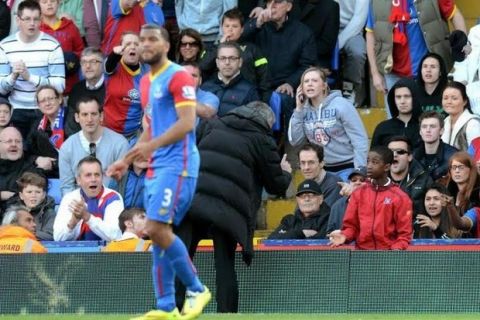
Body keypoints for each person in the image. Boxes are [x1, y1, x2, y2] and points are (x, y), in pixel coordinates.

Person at [107, 24, 210, 320]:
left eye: (152, 39)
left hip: (178, 165)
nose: (145, 44)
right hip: (157, 166)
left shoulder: (178, 75)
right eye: (141, 40)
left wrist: (149, 146)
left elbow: (188, 122)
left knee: (154, 229)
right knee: (158, 235)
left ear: (166, 46)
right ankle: (166, 307)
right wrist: (126, 160)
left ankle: (196, 288)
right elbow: (152, 125)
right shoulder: (145, 81)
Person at [175, 101, 292, 313]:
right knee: (224, 263)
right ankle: (226, 315)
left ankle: (171, 310)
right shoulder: (262, 138)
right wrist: (286, 171)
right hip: (227, 209)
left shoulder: (211, 125)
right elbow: (276, 185)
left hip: (193, 200)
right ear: (266, 121)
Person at [365, 0, 469, 117]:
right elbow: (371, 35)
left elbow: (454, 14)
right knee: (397, 126)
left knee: (433, 124)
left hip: (430, 75)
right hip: (394, 74)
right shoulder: (377, 2)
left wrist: (463, 42)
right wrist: (375, 74)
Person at [243, 0, 317, 133]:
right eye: (269, 2)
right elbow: (239, 41)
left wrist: (290, 83)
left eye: (277, 2)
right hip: (256, 84)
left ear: (288, 6)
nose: (272, 6)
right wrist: (257, 23)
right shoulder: (258, 27)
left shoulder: (303, 32)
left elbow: (307, 66)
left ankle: (287, 143)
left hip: (283, 86)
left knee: (283, 99)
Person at [288, 66, 368, 181]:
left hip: (347, 168)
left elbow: (359, 139)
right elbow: (295, 141)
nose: (310, 84)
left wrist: (359, 171)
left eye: (314, 81)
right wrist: (299, 109)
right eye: (306, 81)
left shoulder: (341, 105)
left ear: (324, 85)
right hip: (321, 171)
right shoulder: (302, 111)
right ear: (301, 88)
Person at [0, 0, 65, 138]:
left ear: (41, 20)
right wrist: (13, 76)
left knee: (46, 154)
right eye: (27, 19)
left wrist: (30, 77)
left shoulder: (52, 45)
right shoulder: (5, 46)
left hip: (45, 110)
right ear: (18, 20)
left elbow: (60, 86)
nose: (32, 23)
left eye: (36, 19)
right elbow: (1, 89)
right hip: (16, 109)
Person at [329, 146, 413, 250]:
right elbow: (351, 227)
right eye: (368, 161)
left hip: (389, 257)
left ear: (386, 167)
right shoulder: (358, 194)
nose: (369, 166)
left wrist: (396, 248)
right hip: (362, 256)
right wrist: (345, 236)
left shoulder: (401, 198)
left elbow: (404, 235)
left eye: (375, 162)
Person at [59, 96, 129, 195]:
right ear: (77, 117)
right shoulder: (67, 148)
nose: (89, 119)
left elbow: (122, 185)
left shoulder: (120, 144)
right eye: (84, 114)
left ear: (101, 116)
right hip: (79, 204)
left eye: (94, 114)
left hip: (111, 202)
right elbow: (67, 187)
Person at [199, 8, 271, 102]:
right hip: (218, 95)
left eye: (235, 26)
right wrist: (219, 46)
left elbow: (264, 78)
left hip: (246, 95)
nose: (230, 29)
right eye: (227, 26)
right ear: (221, 28)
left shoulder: (252, 49)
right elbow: (203, 66)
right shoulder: (213, 48)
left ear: (242, 29)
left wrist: (263, 102)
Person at [54, 156, 123, 241]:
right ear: (78, 180)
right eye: (88, 175)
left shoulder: (113, 197)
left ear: (102, 177)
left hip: (106, 252)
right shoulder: (70, 198)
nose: (93, 179)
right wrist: (72, 223)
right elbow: (58, 238)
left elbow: (115, 236)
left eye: (97, 175)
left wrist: (87, 217)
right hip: (75, 253)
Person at [104, 31, 149, 142]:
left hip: (134, 136)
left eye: (136, 44)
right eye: (128, 44)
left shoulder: (148, 72)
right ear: (121, 48)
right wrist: (114, 54)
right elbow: (108, 65)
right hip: (109, 133)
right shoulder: (114, 66)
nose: (132, 47)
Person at [201, 42, 260, 116]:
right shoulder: (205, 87)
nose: (227, 62)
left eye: (232, 58)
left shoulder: (250, 91)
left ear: (240, 62)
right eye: (223, 58)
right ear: (217, 62)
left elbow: (254, 122)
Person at [38, 0, 84, 95]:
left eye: (53, 1)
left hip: (69, 86)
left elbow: (80, 50)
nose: (49, 4)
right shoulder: (36, 29)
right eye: (44, 2)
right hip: (44, 88)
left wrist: (69, 61)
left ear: (58, 3)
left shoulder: (70, 27)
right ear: (38, 5)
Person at [26, 85, 71, 178]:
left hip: (74, 172)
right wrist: (37, 159)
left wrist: (54, 164)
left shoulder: (73, 119)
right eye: (42, 101)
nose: (47, 103)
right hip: (49, 174)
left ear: (59, 99)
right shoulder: (37, 125)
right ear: (38, 106)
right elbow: (27, 151)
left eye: (50, 98)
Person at [0, 127, 45, 216]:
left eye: (18, 141)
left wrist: (8, 196)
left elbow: (31, 198)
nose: (14, 144)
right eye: (9, 141)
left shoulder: (32, 171)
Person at [388, 136, 433, 217]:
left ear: (409, 157)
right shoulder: (376, 181)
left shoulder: (425, 180)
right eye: (390, 152)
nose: (394, 155)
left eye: (400, 152)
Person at [371, 78, 422, 149]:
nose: (402, 101)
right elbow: (374, 157)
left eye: (407, 96)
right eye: (398, 97)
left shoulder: (425, 127)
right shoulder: (383, 128)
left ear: (415, 98)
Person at [66, 47, 106, 135]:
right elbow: (72, 123)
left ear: (103, 65)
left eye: (93, 62)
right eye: (84, 62)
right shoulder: (76, 89)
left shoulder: (111, 88)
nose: (87, 66)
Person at [336, 0, 368, 105]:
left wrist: (338, 43)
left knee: (357, 52)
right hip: (327, 24)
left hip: (353, 29)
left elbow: (359, 19)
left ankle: (349, 89)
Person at [413, 111, 458, 181]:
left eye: (432, 126)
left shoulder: (454, 156)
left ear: (441, 131)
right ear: (420, 132)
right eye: (424, 127)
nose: (428, 130)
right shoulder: (413, 155)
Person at [11, 172, 55, 241]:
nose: (33, 195)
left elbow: (50, 235)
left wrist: (23, 233)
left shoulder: (50, 213)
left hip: (41, 248)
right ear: (21, 195)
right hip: (18, 247)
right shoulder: (14, 213)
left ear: (43, 195)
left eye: (38, 192)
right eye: (29, 192)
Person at [298, 143, 342, 208]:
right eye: (303, 163)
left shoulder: (334, 184)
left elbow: (325, 215)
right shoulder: (304, 185)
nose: (306, 167)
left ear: (321, 163)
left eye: (311, 162)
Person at [441, 81, 480, 151]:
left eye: (454, 98)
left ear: (465, 101)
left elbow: (477, 154)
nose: (449, 102)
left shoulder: (472, 124)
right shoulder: (444, 122)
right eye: (445, 98)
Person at [326, 167, 366, 234]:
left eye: (362, 180)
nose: (358, 183)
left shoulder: (375, 202)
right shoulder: (337, 206)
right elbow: (329, 233)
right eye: (354, 180)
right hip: (343, 243)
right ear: (349, 183)